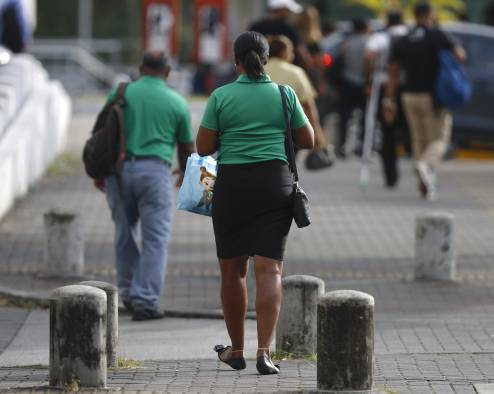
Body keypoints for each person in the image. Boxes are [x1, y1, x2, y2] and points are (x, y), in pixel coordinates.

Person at [196, 31, 314, 375]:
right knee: (270, 270)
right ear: (266, 60)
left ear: (236, 61)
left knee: (232, 272)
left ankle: (236, 350)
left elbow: (203, 148)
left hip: (232, 186)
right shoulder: (283, 94)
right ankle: (265, 353)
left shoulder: (221, 95)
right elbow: (308, 139)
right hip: (274, 185)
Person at [94, 51, 195, 321]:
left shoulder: (120, 92)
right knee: (155, 239)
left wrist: (98, 171)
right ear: (168, 72)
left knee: (124, 234)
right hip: (156, 173)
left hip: (118, 172)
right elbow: (187, 146)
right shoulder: (176, 101)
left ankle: (127, 292)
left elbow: (102, 133)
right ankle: (146, 300)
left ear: (140, 68)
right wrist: (186, 174)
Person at [384, 2, 465, 200]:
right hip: (432, 98)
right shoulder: (437, 35)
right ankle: (424, 166)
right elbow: (460, 56)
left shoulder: (404, 39)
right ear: (431, 15)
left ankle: (426, 186)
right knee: (439, 140)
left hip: (408, 96)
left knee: (419, 140)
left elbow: (393, 72)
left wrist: (389, 100)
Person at [265, 35, 333, 169]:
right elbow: (309, 106)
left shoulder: (259, 71)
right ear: (284, 52)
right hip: (288, 131)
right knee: (287, 166)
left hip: (259, 130)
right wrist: (317, 134)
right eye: (290, 50)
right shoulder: (296, 72)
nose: (292, 54)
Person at [365, 10, 409, 188]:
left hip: (384, 87)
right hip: (408, 87)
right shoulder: (409, 36)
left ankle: (391, 175)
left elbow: (369, 55)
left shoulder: (381, 37)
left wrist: (369, 76)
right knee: (408, 128)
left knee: (387, 131)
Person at [335, 18, 370, 158]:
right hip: (363, 83)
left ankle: (342, 146)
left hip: (347, 82)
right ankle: (361, 146)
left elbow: (342, 60)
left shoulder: (346, 43)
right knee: (365, 117)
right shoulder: (368, 42)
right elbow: (368, 62)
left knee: (345, 116)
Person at [249, 0, 312, 73]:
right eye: (288, 10)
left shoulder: (254, 27)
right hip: (286, 77)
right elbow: (302, 53)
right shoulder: (288, 29)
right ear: (282, 10)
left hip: (257, 75)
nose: (289, 13)